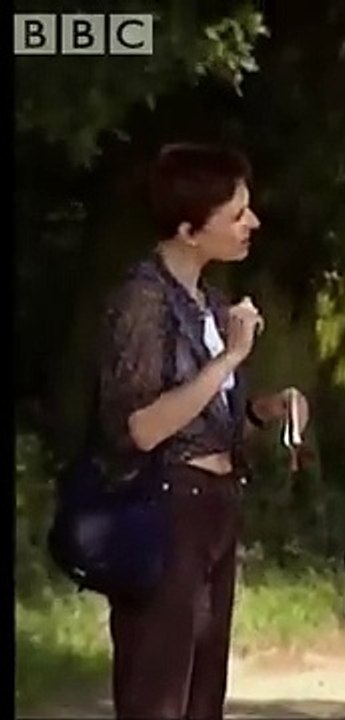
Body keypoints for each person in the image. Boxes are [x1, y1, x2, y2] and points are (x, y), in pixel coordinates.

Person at [97, 142, 310, 720]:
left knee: (202, 694)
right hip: (165, 506)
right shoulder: (143, 301)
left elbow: (208, 414)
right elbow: (142, 426)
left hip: (217, 503)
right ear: (190, 230)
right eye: (237, 214)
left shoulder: (209, 302)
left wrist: (266, 410)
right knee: (158, 690)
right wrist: (230, 358)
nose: (253, 223)